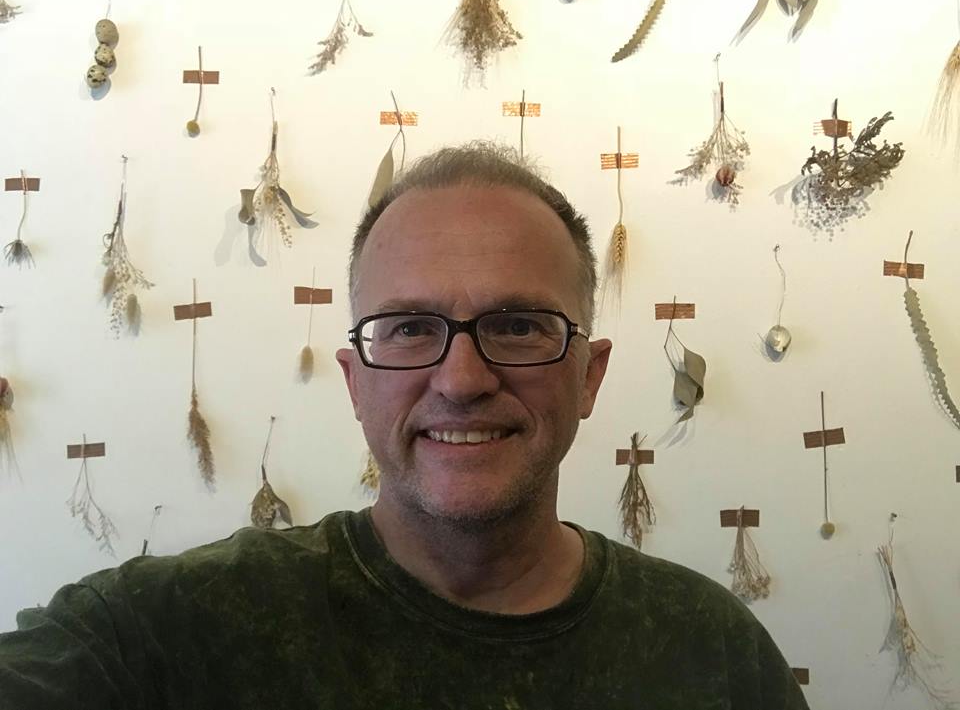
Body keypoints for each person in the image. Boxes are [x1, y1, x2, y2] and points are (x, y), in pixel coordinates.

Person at [0, 142, 808, 709]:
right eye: (411, 328)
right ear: (356, 382)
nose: (462, 379)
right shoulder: (173, 631)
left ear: (588, 375)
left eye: (518, 326)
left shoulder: (713, 653)